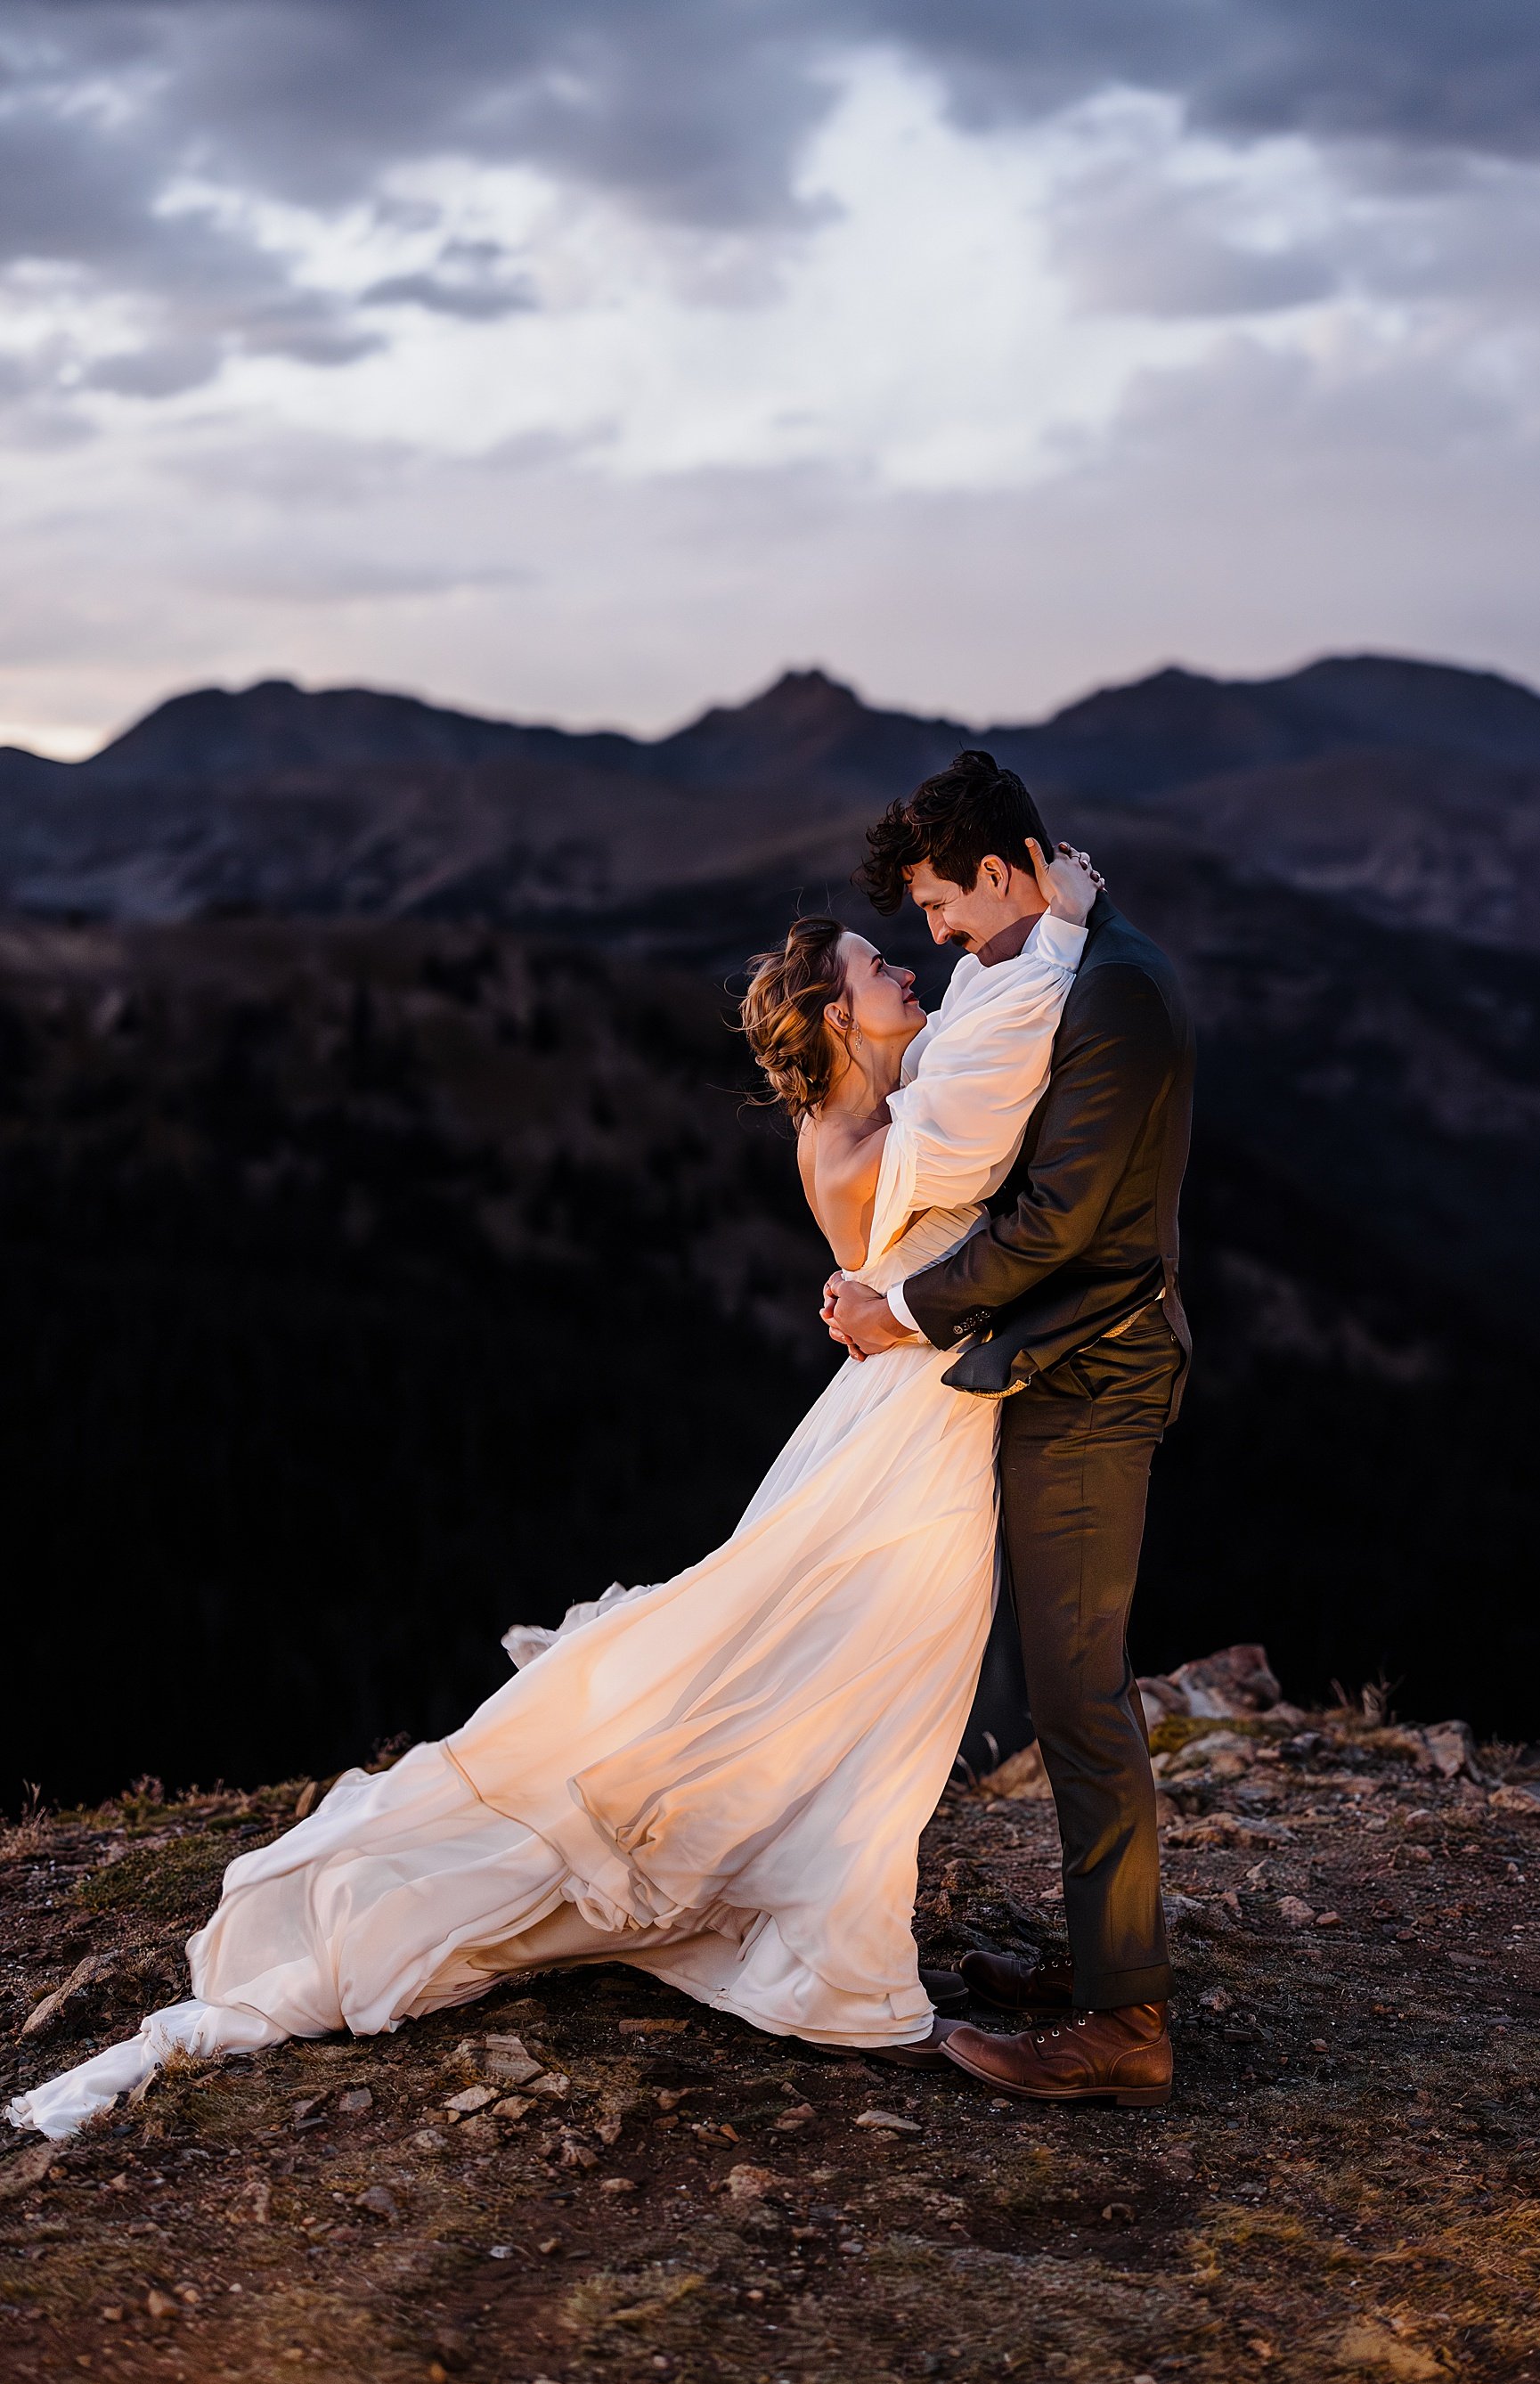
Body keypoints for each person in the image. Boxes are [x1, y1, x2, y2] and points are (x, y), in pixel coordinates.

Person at [10, 824, 1104, 2143]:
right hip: (909, 1424)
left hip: (901, 1408)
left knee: (860, 1667)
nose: (908, 974)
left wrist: (1020, 942)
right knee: (869, 1665)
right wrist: (1064, 935)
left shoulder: (873, 1097)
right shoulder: (861, 1140)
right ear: (835, 1011)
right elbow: (987, 1110)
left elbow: (961, 1058)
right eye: (882, 964)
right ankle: (819, 1920)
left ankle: (819, 1892)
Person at [828, 749, 1194, 2107]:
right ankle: (1104, 1970)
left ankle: (1127, 2029)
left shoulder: (1122, 997)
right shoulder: (1071, 956)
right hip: (1054, 1366)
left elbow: (1064, 1225)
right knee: (1063, 1687)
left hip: (1095, 1373)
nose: (935, 937)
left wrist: (904, 1310)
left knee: (1081, 1694)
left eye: (942, 906)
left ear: (1003, 872)